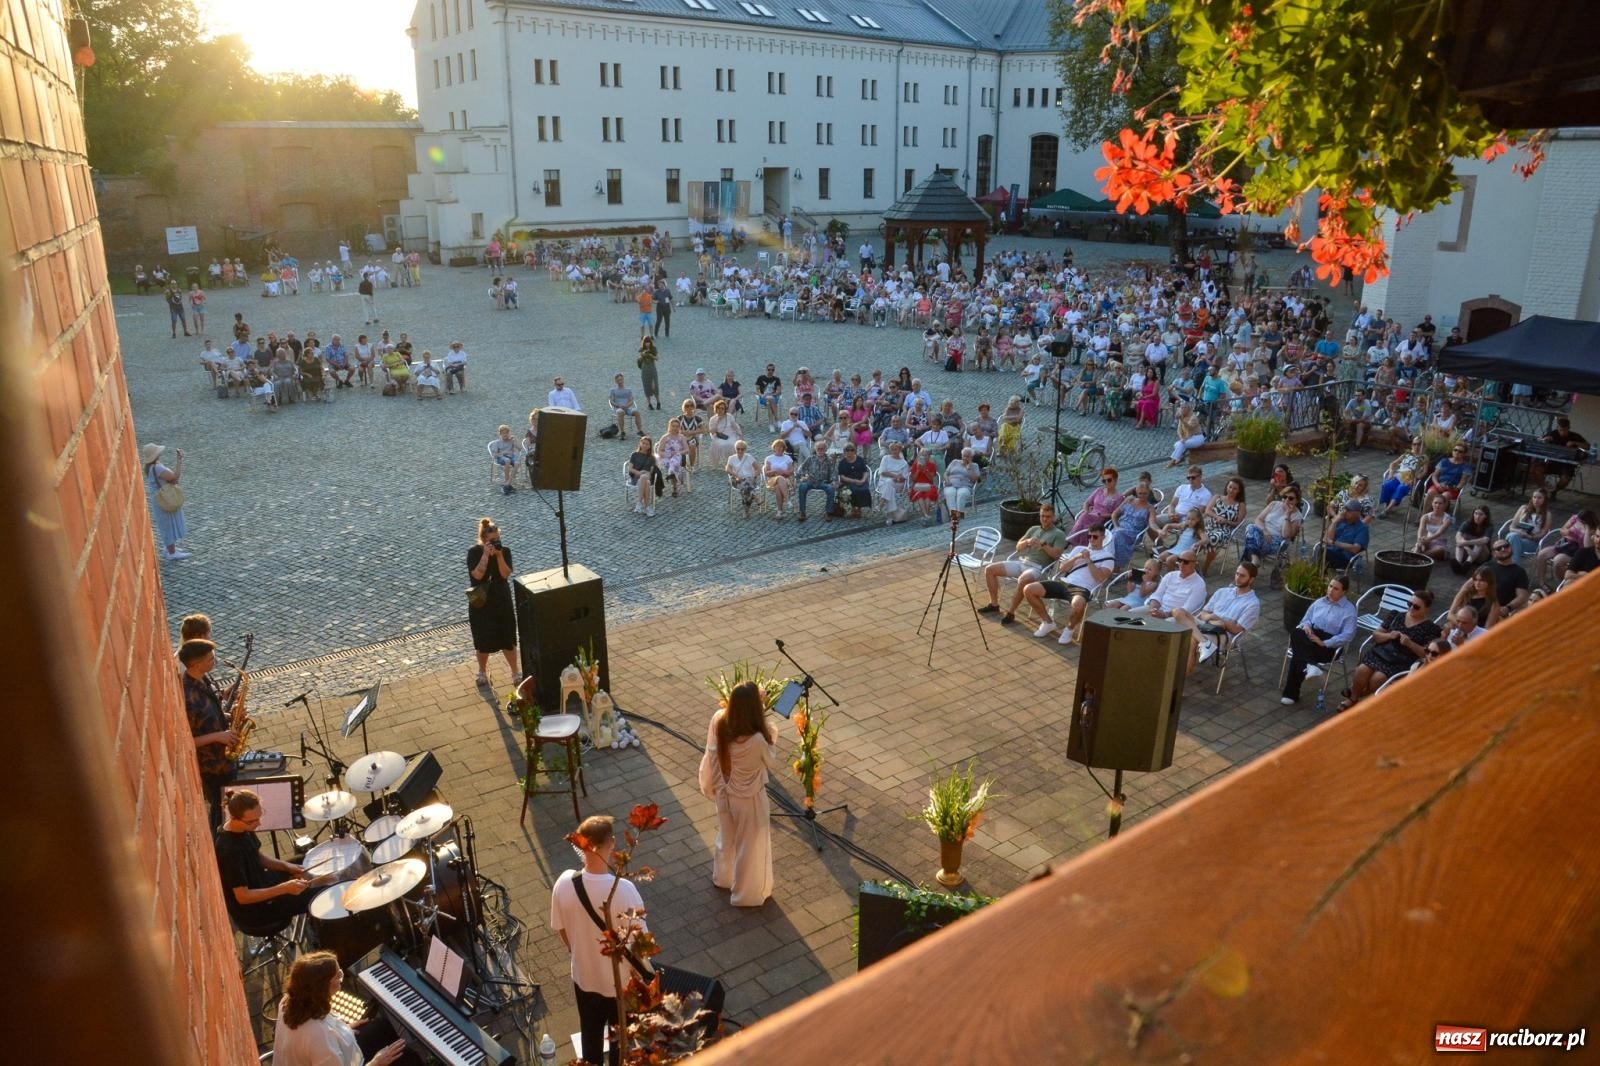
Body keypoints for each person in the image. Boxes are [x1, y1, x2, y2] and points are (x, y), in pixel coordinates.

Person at [550, 815, 648, 1066]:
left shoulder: (564, 883)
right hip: (619, 984)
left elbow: (562, 931)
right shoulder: (625, 890)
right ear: (612, 843)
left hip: (584, 978)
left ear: (580, 844)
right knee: (619, 1042)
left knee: (590, 1038)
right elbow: (641, 944)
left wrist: (580, 952)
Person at [697, 680, 776, 907]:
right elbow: (772, 761)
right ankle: (745, 895)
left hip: (724, 793)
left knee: (727, 837)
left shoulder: (719, 720)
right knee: (750, 846)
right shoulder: (759, 738)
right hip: (748, 798)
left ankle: (723, 878)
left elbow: (709, 754)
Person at [273, 952, 410, 1066]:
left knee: (381, 1026)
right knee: (408, 1059)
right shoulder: (320, 1035)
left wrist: (342, 1030)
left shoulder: (288, 1000)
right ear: (322, 987)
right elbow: (319, 1038)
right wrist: (376, 1062)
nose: (341, 978)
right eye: (338, 975)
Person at [215, 789, 322, 933]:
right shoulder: (229, 851)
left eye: (260, 816)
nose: (258, 823)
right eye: (253, 821)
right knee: (318, 894)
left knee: (306, 860)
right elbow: (243, 897)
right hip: (256, 911)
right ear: (234, 818)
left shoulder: (242, 829)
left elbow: (258, 856)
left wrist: (286, 866)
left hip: (261, 880)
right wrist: (285, 888)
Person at [1341, 589, 1440, 711]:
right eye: (1409, 604)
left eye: (1416, 607)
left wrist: (1410, 644)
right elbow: (1376, 635)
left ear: (1427, 609)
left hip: (1401, 661)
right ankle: (1354, 698)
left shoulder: (1431, 629)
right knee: (1361, 670)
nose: (1411, 608)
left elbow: (1426, 654)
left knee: (1377, 679)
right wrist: (1389, 636)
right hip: (1381, 652)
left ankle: (1362, 698)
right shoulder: (1396, 615)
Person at [1019, 526, 1115, 644]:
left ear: (1103, 538)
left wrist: (1089, 560)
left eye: (1095, 537)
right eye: (1089, 536)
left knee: (1078, 604)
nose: (1091, 539)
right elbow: (1062, 568)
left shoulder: (1108, 558)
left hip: (1082, 588)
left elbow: (1100, 578)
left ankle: (1069, 629)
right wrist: (1076, 557)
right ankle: (1048, 622)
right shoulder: (1078, 549)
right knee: (1028, 589)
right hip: (1064, 582)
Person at [181, 639, 238, 830]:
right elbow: (186, 740)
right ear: (197, 664)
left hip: (224, 759)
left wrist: (230, 716)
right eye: (210, 658)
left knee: (231, 805)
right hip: (212, 768)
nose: (215, 660)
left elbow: (211, 713)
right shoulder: (188, 697)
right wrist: (217, 736)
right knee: (220, 813)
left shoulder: (203, 678)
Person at [980, 503, 1067, 622]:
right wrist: (1027, 542)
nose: (1045, 519)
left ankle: (1010, 612)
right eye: (1042, 516)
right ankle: (994, 604)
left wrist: (1043, 544)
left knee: (1023, 580)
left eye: (1048, 516)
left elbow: (1057, 555)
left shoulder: (1059, 534)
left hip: (1038, 568)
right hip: (1022, 563)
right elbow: (1018, 547)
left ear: (1053, 517)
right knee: (990, 569)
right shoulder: (1033, 529)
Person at [1281, 574, 1357, 705]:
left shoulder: (1349, 610)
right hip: (1311, 637)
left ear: (1344, 592)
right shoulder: (1319, 602)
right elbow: (1305, 620)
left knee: (1299, 654)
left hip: (1329, 645)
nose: (1331, 590)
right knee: (1296, 633)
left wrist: (1324, 642)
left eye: (1336, 589)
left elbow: (1348, 635)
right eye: (1330, 586)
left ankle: (1291, 694)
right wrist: (1306, 626)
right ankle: (1309, 666)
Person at [1176, 561, 1261, 676]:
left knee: (1191, 638)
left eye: (1242, 576)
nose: (1237, 578)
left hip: (1223, 635)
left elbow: (1237, 630)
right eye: (1237, 574)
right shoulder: (1222, 591)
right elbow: (1204, 613)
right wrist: (1212, 617)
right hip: (1205, 624)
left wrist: (1223, 623)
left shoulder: (1252, 604)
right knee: (1178, 612)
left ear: (1251, 579)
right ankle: (1205, 643)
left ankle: (1181, 678)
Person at [467, 518, 519, 689]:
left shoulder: (505, 551)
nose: (496, 543)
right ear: (483, 539)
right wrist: (485, 555)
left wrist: (498, 556)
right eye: (492, 540)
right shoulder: (474, 553)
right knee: (483, 639)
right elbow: (477, 575)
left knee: (507, 637)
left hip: (501, 599)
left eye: (498, 539)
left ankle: (515, 672)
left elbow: (505, 574)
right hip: (482, 603)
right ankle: (481, 671)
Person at [1128, 549, 1207, 619]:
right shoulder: (1170, 575)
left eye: (1186, 562)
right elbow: (1157, 595)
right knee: (1129, 615)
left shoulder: (1199, 585)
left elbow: (1187, 609)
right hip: (1158, 608)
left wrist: (1165, 614)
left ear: (1195, 564)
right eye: (1179, 560)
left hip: (1176, 617)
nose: (1181, 564)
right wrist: (1153, 610)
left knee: (1152, 626)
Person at [142, 442, 189, 561]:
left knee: (165, 522)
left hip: (158, 498)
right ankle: (171, 552)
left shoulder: (150, 468)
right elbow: (174, 478)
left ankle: (170, 549)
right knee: (167, 523)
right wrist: (179, 461)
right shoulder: (157, 467)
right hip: (164, 498)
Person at [1241, 484, 1304, 571]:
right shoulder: (1274, 504)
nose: (1286, 500)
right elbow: (1258, 519)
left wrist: (1287, 515)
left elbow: (1286, 535)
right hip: (1263, 533)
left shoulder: (1297, 517)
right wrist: (1264, 530)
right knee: (1251, 527)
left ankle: (1249, 566)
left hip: (1277, 540)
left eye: (1291, 498)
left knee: (1250, 543)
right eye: (1285, 497)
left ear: (1297, 500)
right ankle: (1254, 560)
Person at [1534, 509, 1599, 590]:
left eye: (1581, 521)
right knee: (1542, 554)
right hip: (1566, 544)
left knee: (1558, 561)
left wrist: (1586, 530)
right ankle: (1542, 583)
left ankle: (1563, 583)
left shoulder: (1593, 529)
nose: (1579, 521)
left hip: (1578, 551)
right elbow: (1562, 530)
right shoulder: (1575, 518)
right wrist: (1569, 532)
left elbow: (1587, 547)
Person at [1528, 415, 1588, 498]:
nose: (1562, 432)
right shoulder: (1553, 434)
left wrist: (1575, 443)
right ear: (1557, 428)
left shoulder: (1574, 436)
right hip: (1551, 462)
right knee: (1535, 470)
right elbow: (1539, 441)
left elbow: (1587, 446)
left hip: (1566, 465)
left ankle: (1554, 491)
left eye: (1565, 430)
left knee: (1566, 479)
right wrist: (1544, 440)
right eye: (1560, 430)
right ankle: (1543, 490)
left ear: (1569, 428)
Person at [1199, 476, 1246, 574]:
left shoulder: (1240, 505)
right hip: (1210, 525)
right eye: (1230, 487)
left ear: (1239, 491)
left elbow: (1238, 523)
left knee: (1213, 538)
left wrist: (1226, 521)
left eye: (1234, 488)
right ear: (1226, 487)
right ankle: (1192, 560)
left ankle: (1205, 567)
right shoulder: (1217, 497)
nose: (1231, 490)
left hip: (1225, 530)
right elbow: (1207, 510)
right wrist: (1216, 517)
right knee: (1197, 534)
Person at [1377, 438, 1428, 515]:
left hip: (1410, 479)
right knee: (1386, 485)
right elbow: (1393, 464)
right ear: (1412, 445)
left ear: (1423, 446)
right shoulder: (1406, 454)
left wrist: (1414, 480)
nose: (1416, 446)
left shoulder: (1424, 458)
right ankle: (1389, 504)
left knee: (1401, 488)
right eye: (1414, 444)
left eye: (1419, 444)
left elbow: (1424, 472)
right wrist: (1391, 473)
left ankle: (1387, 510)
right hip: (1398, 476)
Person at [1069, 467, 1121, 539]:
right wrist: (1087, 512)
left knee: (1083, 518)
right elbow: (1087, 503)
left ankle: (1070, 539)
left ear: (1115, 480)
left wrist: (1100, 515)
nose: (1106, 483)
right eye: (1104, 481)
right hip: (1090, 515)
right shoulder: (1099, 490)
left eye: (1109, 480)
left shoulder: (1118, 498)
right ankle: (1072, 539)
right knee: (1084, 516)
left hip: (1101, 519)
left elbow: (1114, 514)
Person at [1504, 488, 1551, 565]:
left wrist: (1530, 537)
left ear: (1545, 500)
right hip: (1517, 535)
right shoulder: (1523, 508)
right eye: (1534, 497)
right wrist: (1519, 531)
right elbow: (1511, 527)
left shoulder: (1547, 514)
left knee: (1511, 542)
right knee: (1514, 537)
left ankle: (1509, 566)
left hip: (1532, 542)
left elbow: (1543, 533)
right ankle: (1514, 568)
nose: (1536, 500)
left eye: (1539, 498)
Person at [1487, 537, 1532, 615]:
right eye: (1498, 548)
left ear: (1511, 548)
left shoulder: (1519, 572)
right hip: (1484, 607)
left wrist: (1508, 607)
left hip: (1503, 611)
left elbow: (1522, 596)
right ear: (1493, 554)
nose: (1503, 549)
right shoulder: (1487, 567)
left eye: (1506, 546)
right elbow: (1467, 587)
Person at [1450, 565, 1502, 630]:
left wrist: (1467, 629)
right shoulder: (1465, 594)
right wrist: (1461, 626)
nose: (1477, 583)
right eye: (1475, 580)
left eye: (1482, 580)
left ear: (1489, 582)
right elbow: (1450, 615)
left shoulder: (1493, 603)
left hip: (1476, 635)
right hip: (1458, 629)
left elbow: (1486, 630)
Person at [794, 446, 838, 523]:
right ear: (815, 450)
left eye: (822, 449)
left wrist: (834, 481)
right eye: (819, 449)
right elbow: (801, 469)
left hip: (824, 482)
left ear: (825, 450)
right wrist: (800, 477)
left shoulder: (829, 460)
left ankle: (828, 512)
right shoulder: (810, 459)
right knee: (802, 487)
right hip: (811, 481)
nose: (820, 451)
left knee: (831, 488)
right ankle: (802, 512)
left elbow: (833, 472)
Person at [1450, 505, 1494, 574]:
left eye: (1481, 514)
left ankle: (1468, 563)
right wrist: (1467, 548)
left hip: (1482, 555)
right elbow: (1457, 536)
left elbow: (1485, 540)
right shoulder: (1466, 523)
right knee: (1461, 540)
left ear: (1486, 516)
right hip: (1469, 552)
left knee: (1479, 543)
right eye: (1476, 513)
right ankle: (1458, 563)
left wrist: (1466, 543)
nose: (1477, 517)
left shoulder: (1489, 526)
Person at [875, 439, 911, 525]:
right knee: (889, 484)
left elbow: (904, 477)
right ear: (890, 450)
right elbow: (882, 472)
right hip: (884, 482)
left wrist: (898, 479)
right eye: (892, 449)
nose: (894, 451)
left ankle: (881, 504)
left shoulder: (904, 463)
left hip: (898, 484)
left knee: (889, 482)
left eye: (896, 449)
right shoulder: (885, 458)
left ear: (900, 450)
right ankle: (890, 515)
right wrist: (895, 476)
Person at [1411, 492, 1453, 561]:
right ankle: (1417, 555)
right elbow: (1421, 529)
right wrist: (1419, 539)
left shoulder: (1447, 518)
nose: (1437, 505)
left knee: (1439, 550)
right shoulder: (1426, 516)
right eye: (1435, 503)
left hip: (1440, 543)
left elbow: (1439, 533)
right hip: (1428, 541)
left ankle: (1418, 556)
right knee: (1419, 544)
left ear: (1445, 505)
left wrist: (1428, 539)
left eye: (1440, 503)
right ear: (1432, 503)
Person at [943, 449, 982, 521]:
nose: (965, 458)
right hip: (951, 483)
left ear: (971, 457)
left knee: (961, 494)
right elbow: (946, 473)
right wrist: (947, 481)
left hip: (965, 485)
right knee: (950, 493)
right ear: (961, 455)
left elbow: (975, 480)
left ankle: (959, 515)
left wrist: (968, 468)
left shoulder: (974, 465)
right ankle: (954, 515)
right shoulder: (954, 462)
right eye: (964, 456)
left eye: (968, 456)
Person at [626, 435, 661, 516]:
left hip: (647, 475)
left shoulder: (651, 457)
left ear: (649, 446)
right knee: (647, 483)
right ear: (640, 444)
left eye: (647, 444)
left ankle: (639, 503)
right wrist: (638, 472)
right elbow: (630, 469)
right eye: (643, 443)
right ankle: (647, 507)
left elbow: (651, 471)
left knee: (645, 477)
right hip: (636, 477)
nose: (644, 445)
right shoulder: (634, 454)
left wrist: (645, 472)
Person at [656, 419, 691, 497]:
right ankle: (674, 482)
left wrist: (678, 453)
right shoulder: (665, 437)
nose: (675, 428)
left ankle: (672, 475)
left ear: (679, 427)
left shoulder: (681, 437)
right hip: (666, 459)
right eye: (673, 426)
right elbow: (659, 451)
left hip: (677, 458)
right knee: (673, 462)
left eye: (677, 426)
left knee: (675, 460)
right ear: (669, 426)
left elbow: (687, 449)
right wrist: (667, 454)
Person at [725, 439, 760, 516]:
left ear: (745, 449)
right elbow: (727, 469)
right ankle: (755, 495)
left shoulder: (749, 457)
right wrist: (736, 475)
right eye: (738, 449)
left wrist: (754, 476)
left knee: (746, 488)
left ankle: (745, 510)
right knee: (746, 486)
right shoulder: (731, 458)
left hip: (749, 479)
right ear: (735, 449)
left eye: (742, 449)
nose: (740, 451)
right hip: (737, 480)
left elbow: (758, 469)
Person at [762, 438, 796, 518]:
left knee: (778, 487)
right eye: (777, 447)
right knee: (779, 478)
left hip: (786, 479)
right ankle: (788, 500)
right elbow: (766, 473)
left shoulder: (788, 458)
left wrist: (783, 472)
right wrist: (775, 471)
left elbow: (791, 471)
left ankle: (779, 512)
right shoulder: (769, 458)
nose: (779, 448)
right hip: (772, 479)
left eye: (781, 447)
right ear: (774, 448)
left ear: (784, 448)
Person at [836, 443, 871, 517]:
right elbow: (842, 477)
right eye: (847, 450)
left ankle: (858, 508)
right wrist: (854, 481)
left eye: (852, 450)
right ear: (844, 452)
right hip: (848, 482)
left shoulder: (859, 459)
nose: (849, 452)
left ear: (854, 451)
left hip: (861, 480)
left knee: (864, 489)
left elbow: (865, 472)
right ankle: (854, 508)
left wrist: (863, 480)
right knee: (853, 489)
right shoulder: (842, 462)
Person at [706, 398, 741, 469]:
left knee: (731, 444)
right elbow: (712, 431)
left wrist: (740, 434)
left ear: (725, 409)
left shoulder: (729, 416)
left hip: (730, 435)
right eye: (718, 408)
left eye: (722, 408)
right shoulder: (713, 419)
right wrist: (717, 421)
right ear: (716, 409)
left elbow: (735, 426)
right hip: (718, 436)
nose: (720, 410)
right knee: (720, 444)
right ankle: (716, 464)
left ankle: (732, 463)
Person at [489, 425, 521, 495]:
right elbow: (494, 455)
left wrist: (515, 440)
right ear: (500, 434)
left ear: (509, 433)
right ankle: (506, 481)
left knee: (517, 463)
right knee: (507, 460)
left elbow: (520, 448)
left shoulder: (511, 441)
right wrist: (503, 453)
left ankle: (508, 483)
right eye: (503, 433)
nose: (505, 434)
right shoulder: (497, 442)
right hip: (501, 458)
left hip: (511, 457)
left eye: (507, 433)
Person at [636, 336, 661, 409]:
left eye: (648, 342)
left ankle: (658, 402)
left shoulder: (653, 349)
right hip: (644, 369)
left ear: (650, 342)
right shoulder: (641, 349)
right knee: (646, 386)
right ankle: (649, 404)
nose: (647, 344)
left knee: (655, 386)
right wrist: (642, 355)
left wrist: (651, 355)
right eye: (646, 342)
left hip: (652, 369)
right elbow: (639, 359)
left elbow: (657, 358)